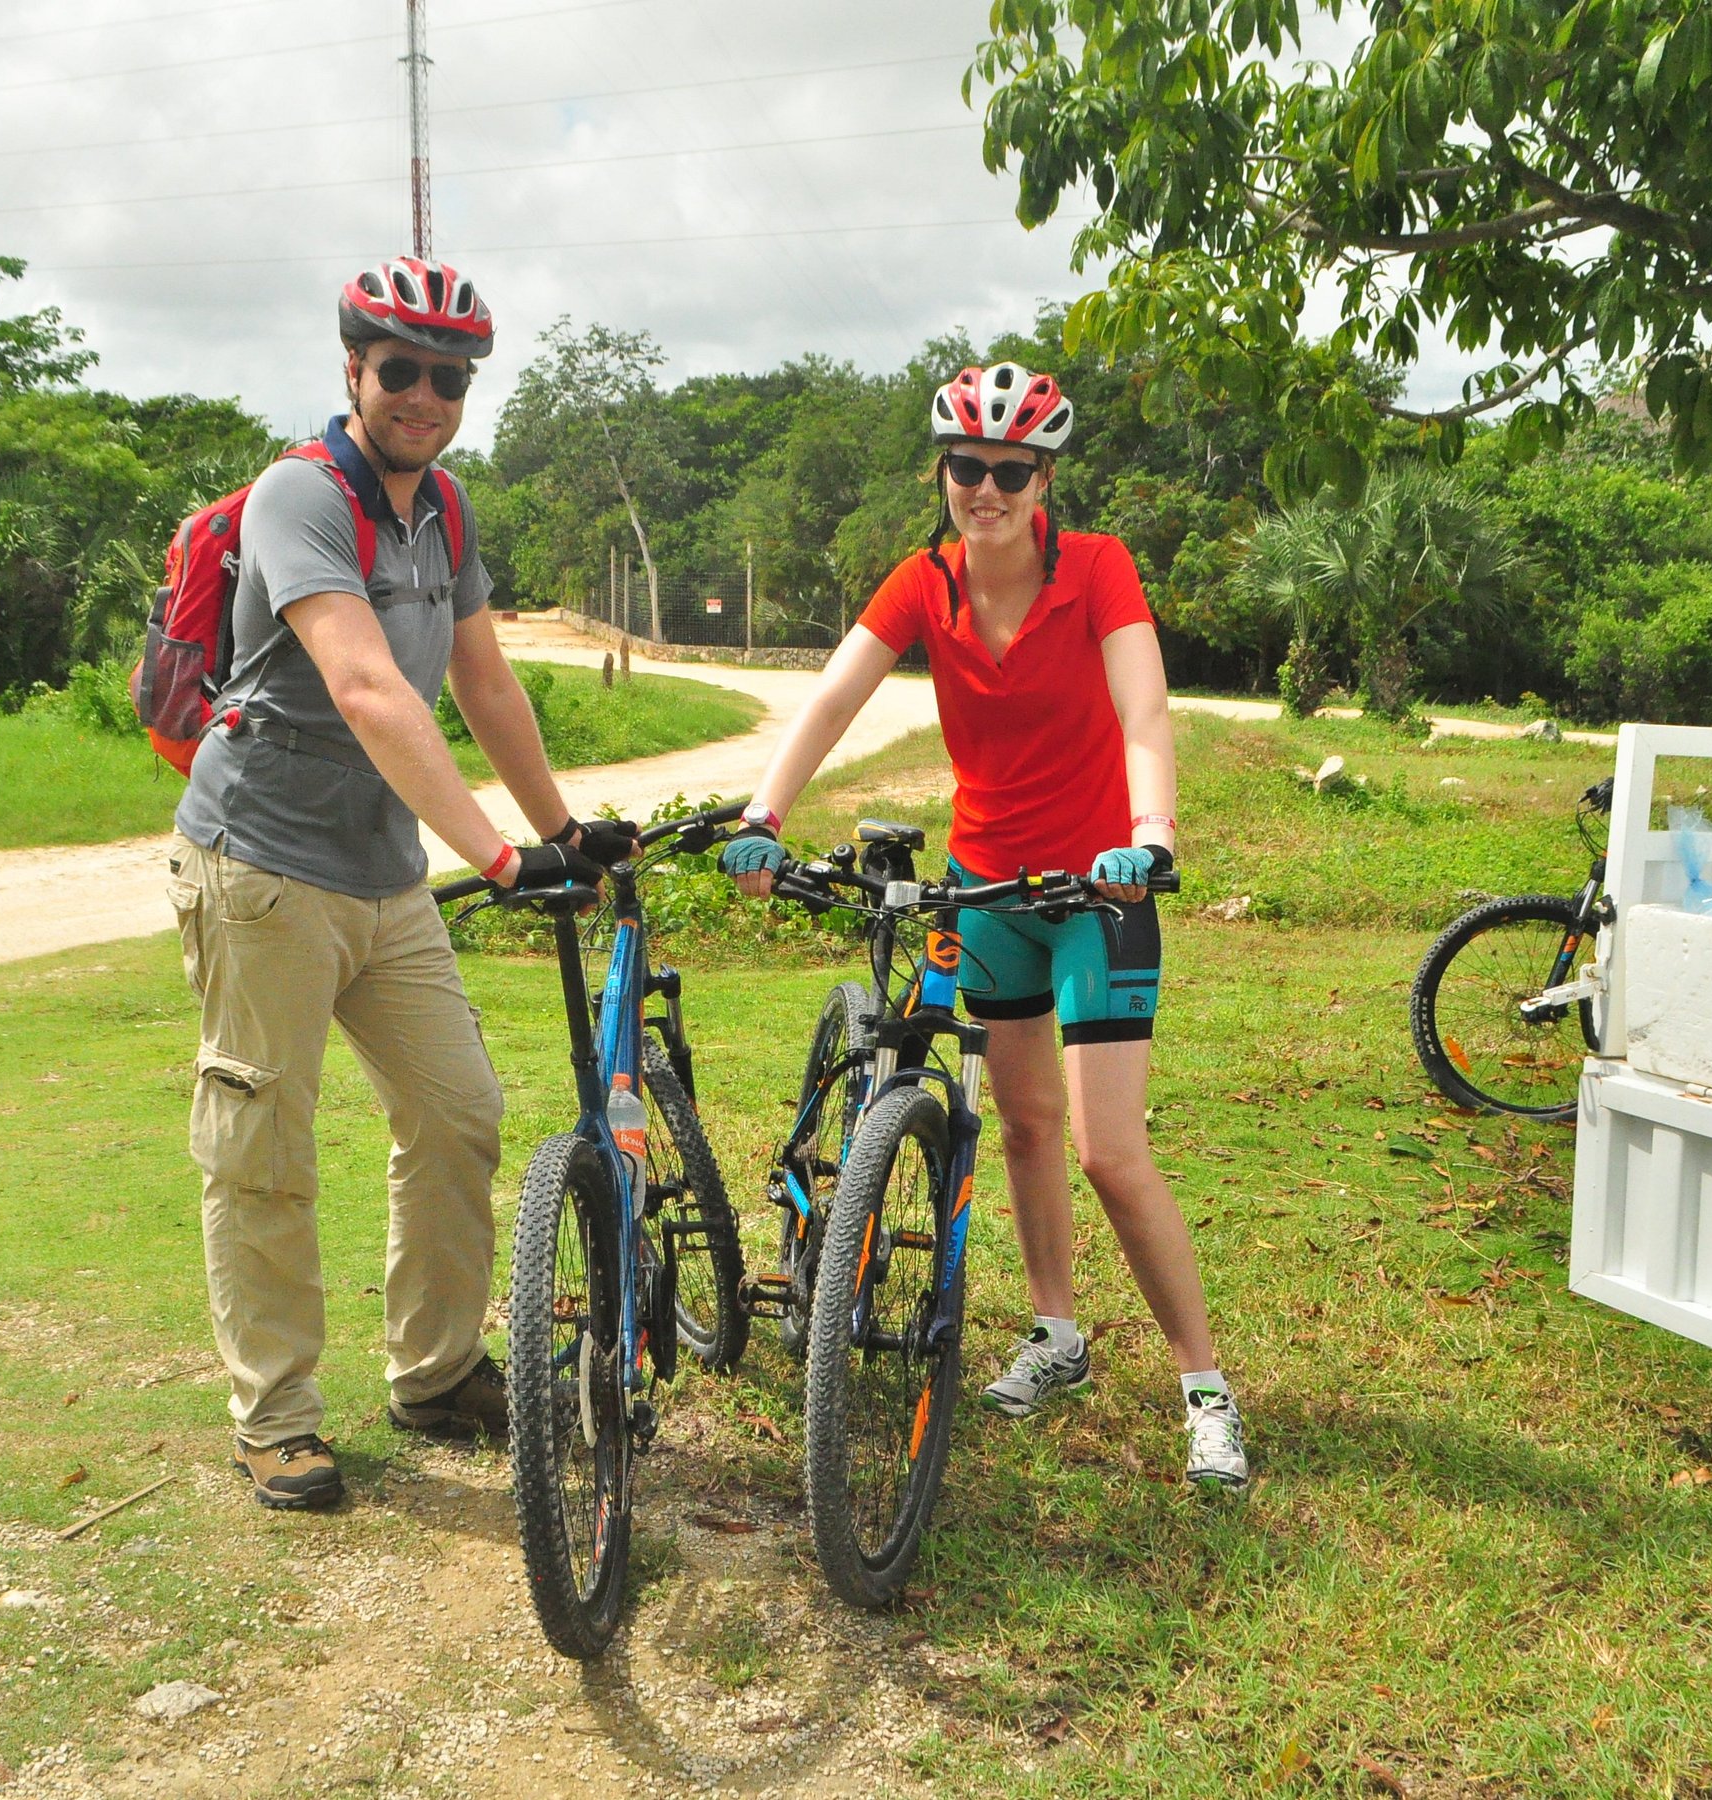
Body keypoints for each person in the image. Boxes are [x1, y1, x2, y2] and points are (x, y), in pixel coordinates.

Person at [719, 362, 1249, 1488]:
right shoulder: (925, 584)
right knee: (1019, 1129)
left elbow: (1143, 706)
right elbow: (832, 696)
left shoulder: (1098, 568)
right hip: (985, 892)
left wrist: (1149, 833)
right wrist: (767, 811)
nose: (988, 489)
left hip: (1097, 893)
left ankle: (1205, 1386)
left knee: (1108, 1150)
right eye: (969, 467)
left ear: (1044, 476)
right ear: (943, 470)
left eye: (1012, 470)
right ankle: (1057, 1335)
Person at [168, 256, 631, 1510]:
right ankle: (276, 1418)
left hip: (383, 878)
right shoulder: (297, 499)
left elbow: (482, 680)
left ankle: (433, 1373)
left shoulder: (447, 512)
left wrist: (562, 830)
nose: (425, 395)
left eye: (449, 375)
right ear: (353, 372)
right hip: (258, 866)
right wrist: (495, 855)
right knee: (263, 1143)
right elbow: (370, 685)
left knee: (457, 1111)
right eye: (402, 370)